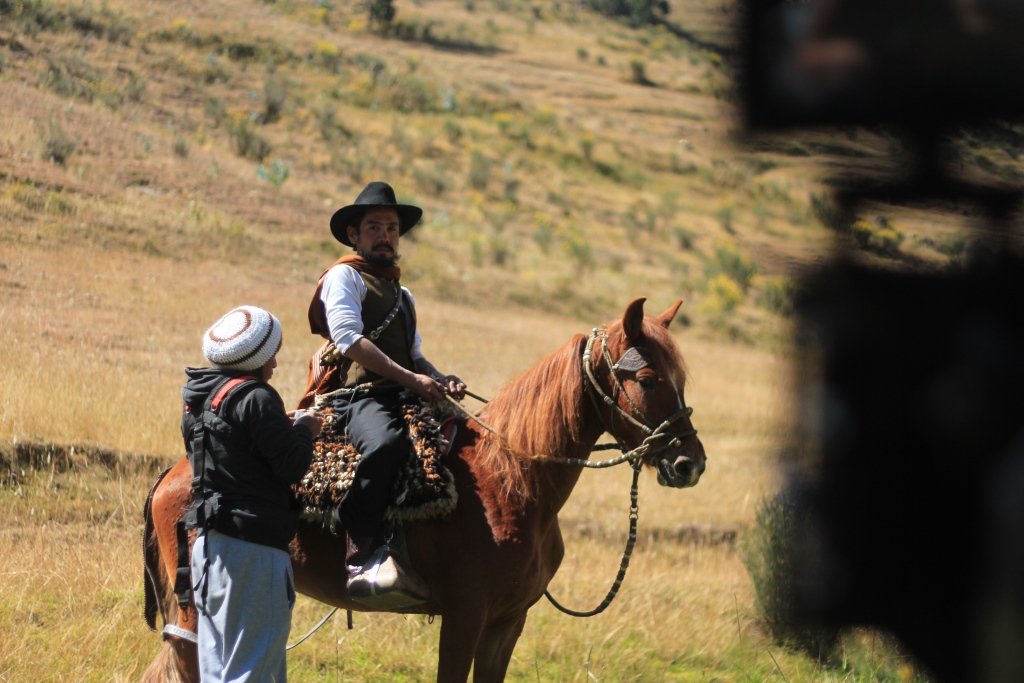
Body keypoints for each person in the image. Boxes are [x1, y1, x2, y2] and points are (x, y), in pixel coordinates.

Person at [304, 181, 465, 603]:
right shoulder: (344, 276)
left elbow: (415, 356)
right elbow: (348, 340)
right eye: (374, 227)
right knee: (387, 445)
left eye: (392, 228)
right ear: (354, 235)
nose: (385, 236)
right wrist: (414, 382)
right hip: (359, 398)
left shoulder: (402, 293)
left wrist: (440, 378)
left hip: (403, 394)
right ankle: (360, 550)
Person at [182, 305, 323, 682]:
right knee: (253, 669)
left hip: (209, 548)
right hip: (254, 553)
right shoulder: (258, 398)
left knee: (219, 667)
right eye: (272, 353)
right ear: (258, 357)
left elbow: (233, 451)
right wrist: (306, 428)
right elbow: (293, 465)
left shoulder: (199, 399)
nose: (275, 362)